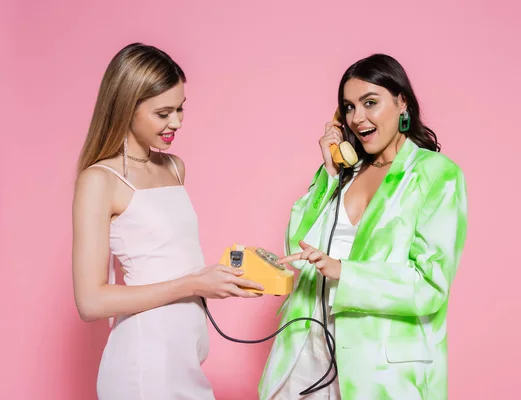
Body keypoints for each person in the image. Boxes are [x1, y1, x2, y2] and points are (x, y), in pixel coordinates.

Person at [259, 54, 468, 399]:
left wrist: (345, 271)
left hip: (379, 370)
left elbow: (430, 285)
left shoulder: (437, 175)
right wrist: (328, 173)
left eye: (370, 103)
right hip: (307, 353)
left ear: (402, 103)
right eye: (349, 107)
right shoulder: (343, 173)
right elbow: (296, 248)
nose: (358, 118)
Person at [71, 42, 264, 400]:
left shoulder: (174, 168)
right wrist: (193, 284)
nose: (176, 122)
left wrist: (218, 279)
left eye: (180, 109)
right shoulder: (100, 180)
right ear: (127, 107)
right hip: (144, 365)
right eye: (163, 113)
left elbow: (170, 256)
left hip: (186, 356)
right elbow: (90, 302)